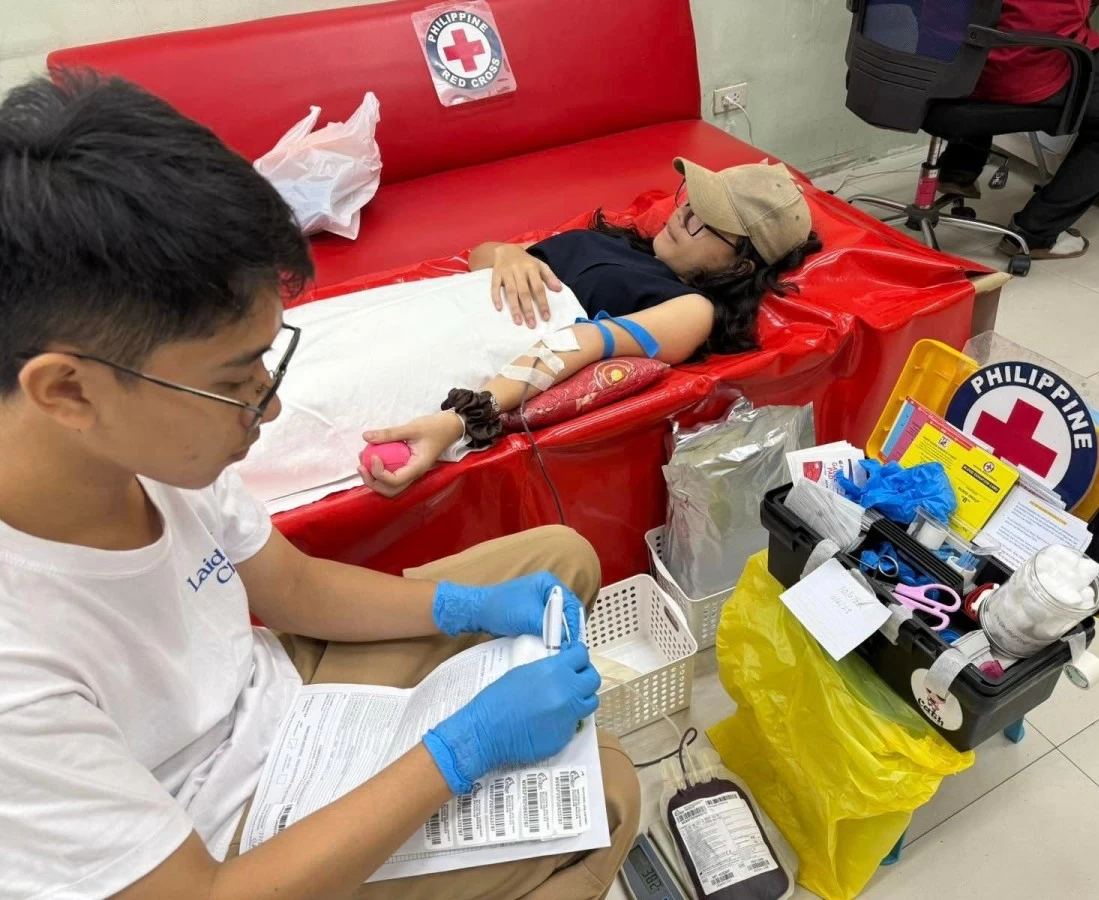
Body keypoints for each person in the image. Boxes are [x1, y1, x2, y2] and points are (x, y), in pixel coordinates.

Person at [0, 72, 639, 900]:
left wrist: (464, 609)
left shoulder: (149, 456)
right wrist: (456, 752)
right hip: (219, 845)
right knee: (610, 793)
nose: (264, 404)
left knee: (559, 560)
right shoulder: (17, 664)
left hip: (282, 700)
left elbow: (292, 586)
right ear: (69, 391)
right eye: (233, 381)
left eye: (268, 357)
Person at [360, 159, 822, 498]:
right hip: (426, 306)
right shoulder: (608, 239)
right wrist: (508, 254)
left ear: (740, 265)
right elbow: (481, 257)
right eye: (688, 202)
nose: (681, 216)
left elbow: (577, 344)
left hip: (464, 349)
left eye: (706, 222)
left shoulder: (690, 308)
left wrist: (460, 418)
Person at [936, 0, 1099, 260]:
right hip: (1015, 71)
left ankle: (959, 169)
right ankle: (1036, 232)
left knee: (983, 27)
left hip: (936, 68)